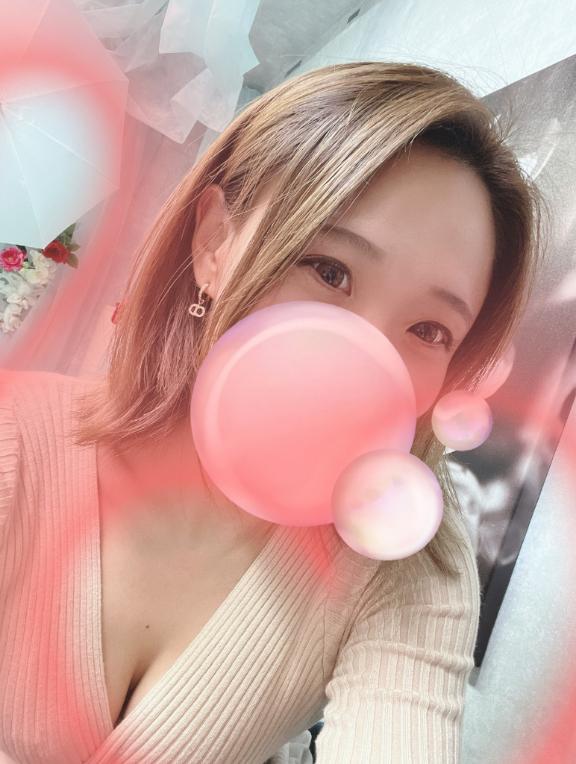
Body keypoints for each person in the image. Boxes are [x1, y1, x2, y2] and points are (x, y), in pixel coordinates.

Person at [0, 61, 545, 763]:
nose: (364, 360)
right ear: (214, 244)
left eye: (429, 330)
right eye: (329, 270)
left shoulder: (408, 564)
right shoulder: (16, 437)